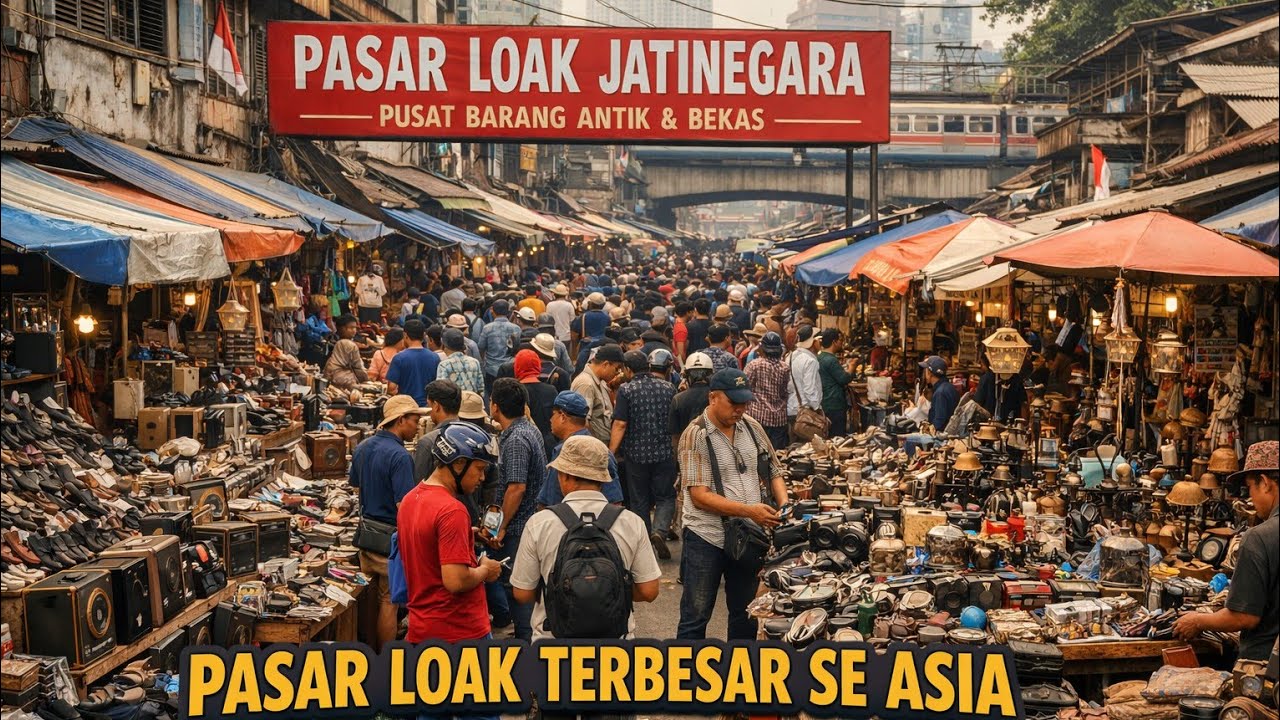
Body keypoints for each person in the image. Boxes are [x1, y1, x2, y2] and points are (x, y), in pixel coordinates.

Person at [510, 435, 661, 640]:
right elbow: (649, 591)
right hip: (616, 648)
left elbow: (522, 593)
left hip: (553, 646)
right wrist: (609, 591)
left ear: (564, 476)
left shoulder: (539, 523)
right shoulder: (631, 522)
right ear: (602, 479)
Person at [676, 370, 788, 640]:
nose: (740, 409)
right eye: (733, 402)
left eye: (744, 402)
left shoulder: (751, 426)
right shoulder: (696, 435)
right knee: (696, 615)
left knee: (746, 613)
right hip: (707, 537)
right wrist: (750, 510)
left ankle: (739, 674)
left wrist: (784, 505)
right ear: (713, 397)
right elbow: (699, 496)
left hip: (748, 536)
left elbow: (774, 470)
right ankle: (684, 675)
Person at [396, 422, 502, 644]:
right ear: (459, 463)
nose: (482, 478)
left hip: (422, 628)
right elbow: (456, 580)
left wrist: (466, 535)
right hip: (458, 632)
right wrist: (486, 569)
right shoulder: (452, 510)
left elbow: (427, 544)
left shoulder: (410, 499)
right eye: (479, 469)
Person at [1173, 441, 1278, 659]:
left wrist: (1197, 620)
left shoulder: (1259, 537)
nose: (1251, 498)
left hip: (1265, 670)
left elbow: (1244, 616)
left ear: (1266, 483)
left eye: (1250, 488)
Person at [349, 394, 427, 650]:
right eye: (414, 421)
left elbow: (358, 489)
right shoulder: (400, 456)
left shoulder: (363, 447)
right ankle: (385, 658)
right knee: (388, 601)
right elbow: (404, 507)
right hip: (389, 540)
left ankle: (366, 650)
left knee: (367, 597)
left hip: (367, 535)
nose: (416, 427)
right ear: (400, 420)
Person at [486, 378, 546, 641]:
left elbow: (516, 488)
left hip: (520, 527)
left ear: (496, 406)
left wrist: (500, 528)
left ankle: (526, 644)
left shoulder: (517, 439)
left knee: (517, 588)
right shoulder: (526, 430)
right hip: (526, 522)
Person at [611, 348, 679, 559]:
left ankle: (643, 541)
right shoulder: (669, 387)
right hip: (664, 451)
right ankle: (659, 530)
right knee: (666, 496)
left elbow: (621, 423)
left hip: (636, 454)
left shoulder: (626, 390)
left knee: (639, 498)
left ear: (628, 370)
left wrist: (611, 452)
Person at [538, 391, 625, 506]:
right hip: (600, 521)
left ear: (562, 416)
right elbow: (615, 501)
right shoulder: (602, 451)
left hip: (564, 521)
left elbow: (549, 501)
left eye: (553, 414)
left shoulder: (564, 452)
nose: (550, 419)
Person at [904, 355, 961, 457]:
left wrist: (927, 430)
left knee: (909, 439)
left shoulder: (940, 393)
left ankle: (911, 463)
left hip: (942, 437)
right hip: (950, 433)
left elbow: (939, 422)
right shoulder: (949, 387)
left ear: (929, 373)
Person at [744, 332, 791, 452]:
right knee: (776, 455)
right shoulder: (785, 367)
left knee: (757, 454)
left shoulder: (754, 365)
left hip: (757, 417)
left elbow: (745, 387)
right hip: (779, 418)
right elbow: (785, 391)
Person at [571, 343, 625, 445]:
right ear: (605, 364)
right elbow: (582, 423)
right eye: (617, 368)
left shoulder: (600, 381)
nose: (618, 373)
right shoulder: (586, 384)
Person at [385, 319, 440, 407]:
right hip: (427, 407)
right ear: (424, 335)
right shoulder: (435, 357)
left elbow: (391, 388)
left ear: (405, 335)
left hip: (406, 408)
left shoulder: (399, 358)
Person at [514, 349, 558, 456]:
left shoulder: (515, 392)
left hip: (523, 446)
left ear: (517, 367)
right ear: (538, 366)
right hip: (549, 445)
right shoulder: (551, 390)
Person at [816, 329, 857, 437]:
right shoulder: (831, 360)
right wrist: (852, 367)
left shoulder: (820, 357)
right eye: (840, 340)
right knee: (837, 436)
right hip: (834, 403)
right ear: (834, 342)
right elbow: (843, 379)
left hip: (825, 402)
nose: (841, 343)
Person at [476, 299, 521, 397]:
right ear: (508, 311)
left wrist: (485, 361)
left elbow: (481, 347)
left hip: (491, 368)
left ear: (492, 310)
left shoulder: (487, 328)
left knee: (493, 395)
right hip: (511, 367)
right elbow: (517, 348)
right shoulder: (516, 328)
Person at [669, 352, 715, 444]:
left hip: (687, 449)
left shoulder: (678, 399)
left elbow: (675, 436)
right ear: (710, 374)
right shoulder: (716, 397)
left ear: (687, 375)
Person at [786, 325, 822, 439]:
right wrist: (817, 409)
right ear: (812, 342)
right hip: (806, 413)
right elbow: (810, 389)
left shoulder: (790, 356)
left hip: (792, 408)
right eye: (818, 340)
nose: (820, 343)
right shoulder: (810, 361)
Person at [322, 314, 368, 390]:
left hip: (331, 376)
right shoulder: (350, 344)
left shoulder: (338, 343)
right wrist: (367, 379)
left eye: (355, 328)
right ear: (342, 329)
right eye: (351, 328)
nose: (354, 330)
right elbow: (358, 366)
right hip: (343, 379)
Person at [437, 328, 484, 396]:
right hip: (472, 404)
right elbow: (481, 389)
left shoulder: (444, 365)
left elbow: (441, 391)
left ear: (444, 345)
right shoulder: (475, 362)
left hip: (453, 405)